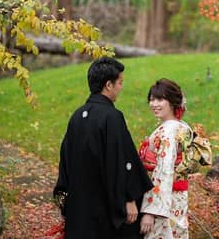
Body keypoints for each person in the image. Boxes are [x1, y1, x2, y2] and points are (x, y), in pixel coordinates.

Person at [54, 56, 153, 239]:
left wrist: (65, 201)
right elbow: (122, 160)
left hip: (80, 208)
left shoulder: (76, 116)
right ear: (108, 85)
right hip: (105, 210)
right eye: (120, 82)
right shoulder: (112, 117)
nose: (121, 87)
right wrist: (129, 198)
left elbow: (65, 161)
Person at [139, 78, 191, 239]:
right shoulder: (181, 127)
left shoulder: (168, 132)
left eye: (160, 99)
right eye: (151, 99)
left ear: (173, 102)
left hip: (164, 201)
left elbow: (165, 172)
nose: (154, 104)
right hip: (176, 198)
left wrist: (150, 211)